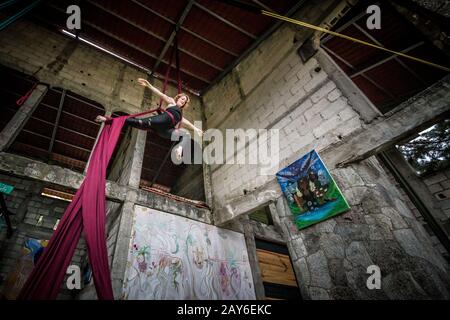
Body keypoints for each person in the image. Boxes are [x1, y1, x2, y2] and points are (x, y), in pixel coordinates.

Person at [95, 78, 203, 162]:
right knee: (138, 122)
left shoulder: (180, 115)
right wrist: (148, 85)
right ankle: (108, 119)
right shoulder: (171, 102)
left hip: (166, 131)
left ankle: (179, 149)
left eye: (184, 102)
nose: (183, 102)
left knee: (186, 134)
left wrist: (196, 129)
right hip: (161, 120)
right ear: (178, 98)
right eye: (182, 99)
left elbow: (187, 123)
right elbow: (160, 94)